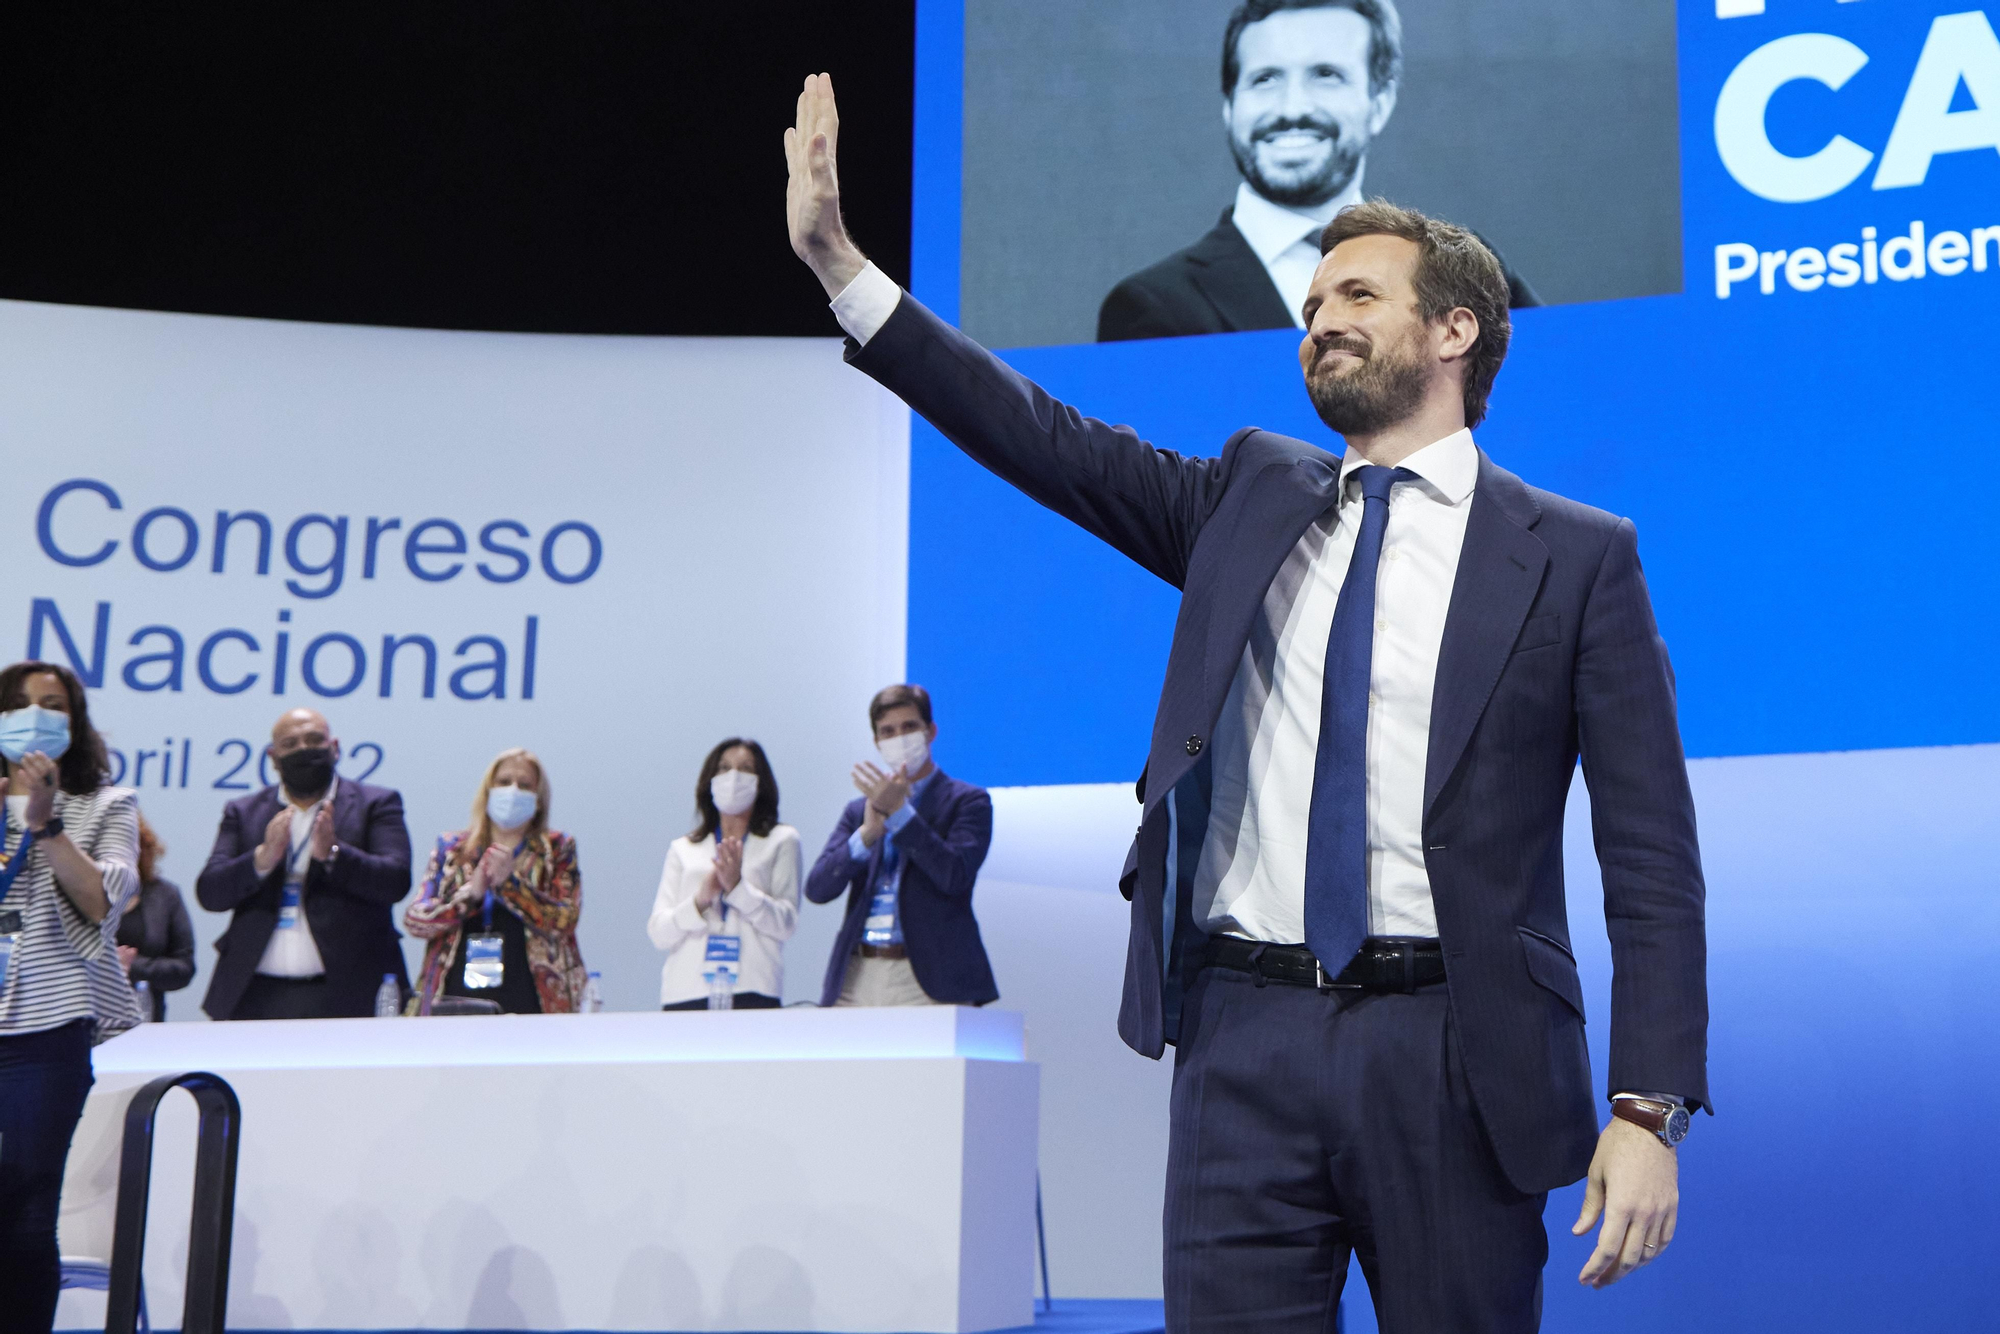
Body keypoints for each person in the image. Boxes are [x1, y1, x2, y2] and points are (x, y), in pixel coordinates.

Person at [787, 77, 1707, 1329]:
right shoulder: (1247, 494)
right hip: (1239, 1040)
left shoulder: (1573, 555)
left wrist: (1645, 1106)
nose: (1318, 319)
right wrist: (846, 273)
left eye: (1356, 297)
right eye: (1313, 300)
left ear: (1452, 331)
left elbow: (1649, 854)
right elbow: (1040, 436)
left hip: (1453, 1051)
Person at [1097, 0, 1537, 344]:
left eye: (1326, 75)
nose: (1292, 108)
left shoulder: (1475, 272)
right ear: (1230, 106)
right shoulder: (1151, 309)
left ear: (1379, 102)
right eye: (1265, 79)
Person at [0, 661, 140, 1333]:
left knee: (27, 1208)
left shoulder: (108, 804)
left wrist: (46, 823)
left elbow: (101, 901)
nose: (36, 717)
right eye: (21, 706)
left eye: (52, 705)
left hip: (44, 1030)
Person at [196, 707, 412, 1020]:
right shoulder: (244, 812)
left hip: (350, 993)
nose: (303, 750)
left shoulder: (376, 804)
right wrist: (262, 859)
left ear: (334, 748)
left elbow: (394, 881)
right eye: (290, 744)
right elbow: (211, 893)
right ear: (273, 757)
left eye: (313, 740)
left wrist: (334, 853)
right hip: (254, 994)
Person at [804, 685, 996, 1008]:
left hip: (927, 978)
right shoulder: (858, 811)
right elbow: (818, 888)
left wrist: (901, 815)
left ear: (930, 731)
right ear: (877, 742)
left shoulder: (968, 801)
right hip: (857, 974)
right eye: (888, 732)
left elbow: (954, 875)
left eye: (909, 727)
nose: (899, 738)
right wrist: (866, 835)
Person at [405, 748, 586, 1015]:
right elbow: (416, 921)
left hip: (534, 993)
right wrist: (471, 894)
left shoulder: (556, 848)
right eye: (503, 782)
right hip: (455, 991)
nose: (512, 791)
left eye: (524, 785)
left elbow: (565, 920)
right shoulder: (453, 848)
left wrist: (510, 886)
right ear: (488, 791)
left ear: (538, 800)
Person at [647, 738, 801, 1010]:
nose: (733, 777)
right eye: (724, 768)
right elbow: (659, 933)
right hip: (686, 990)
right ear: (710, 781)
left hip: (754, 988)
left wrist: (738, 889)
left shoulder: (782, 840)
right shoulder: (683, 848)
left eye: (746, 768)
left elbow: (785, 924)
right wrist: (700, 900)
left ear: (760, 781)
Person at [116, 817, 196, 1021]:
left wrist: (134, 967)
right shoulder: (73, 893)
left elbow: (184, 969)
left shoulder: (165, 895)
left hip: (145, 1019)